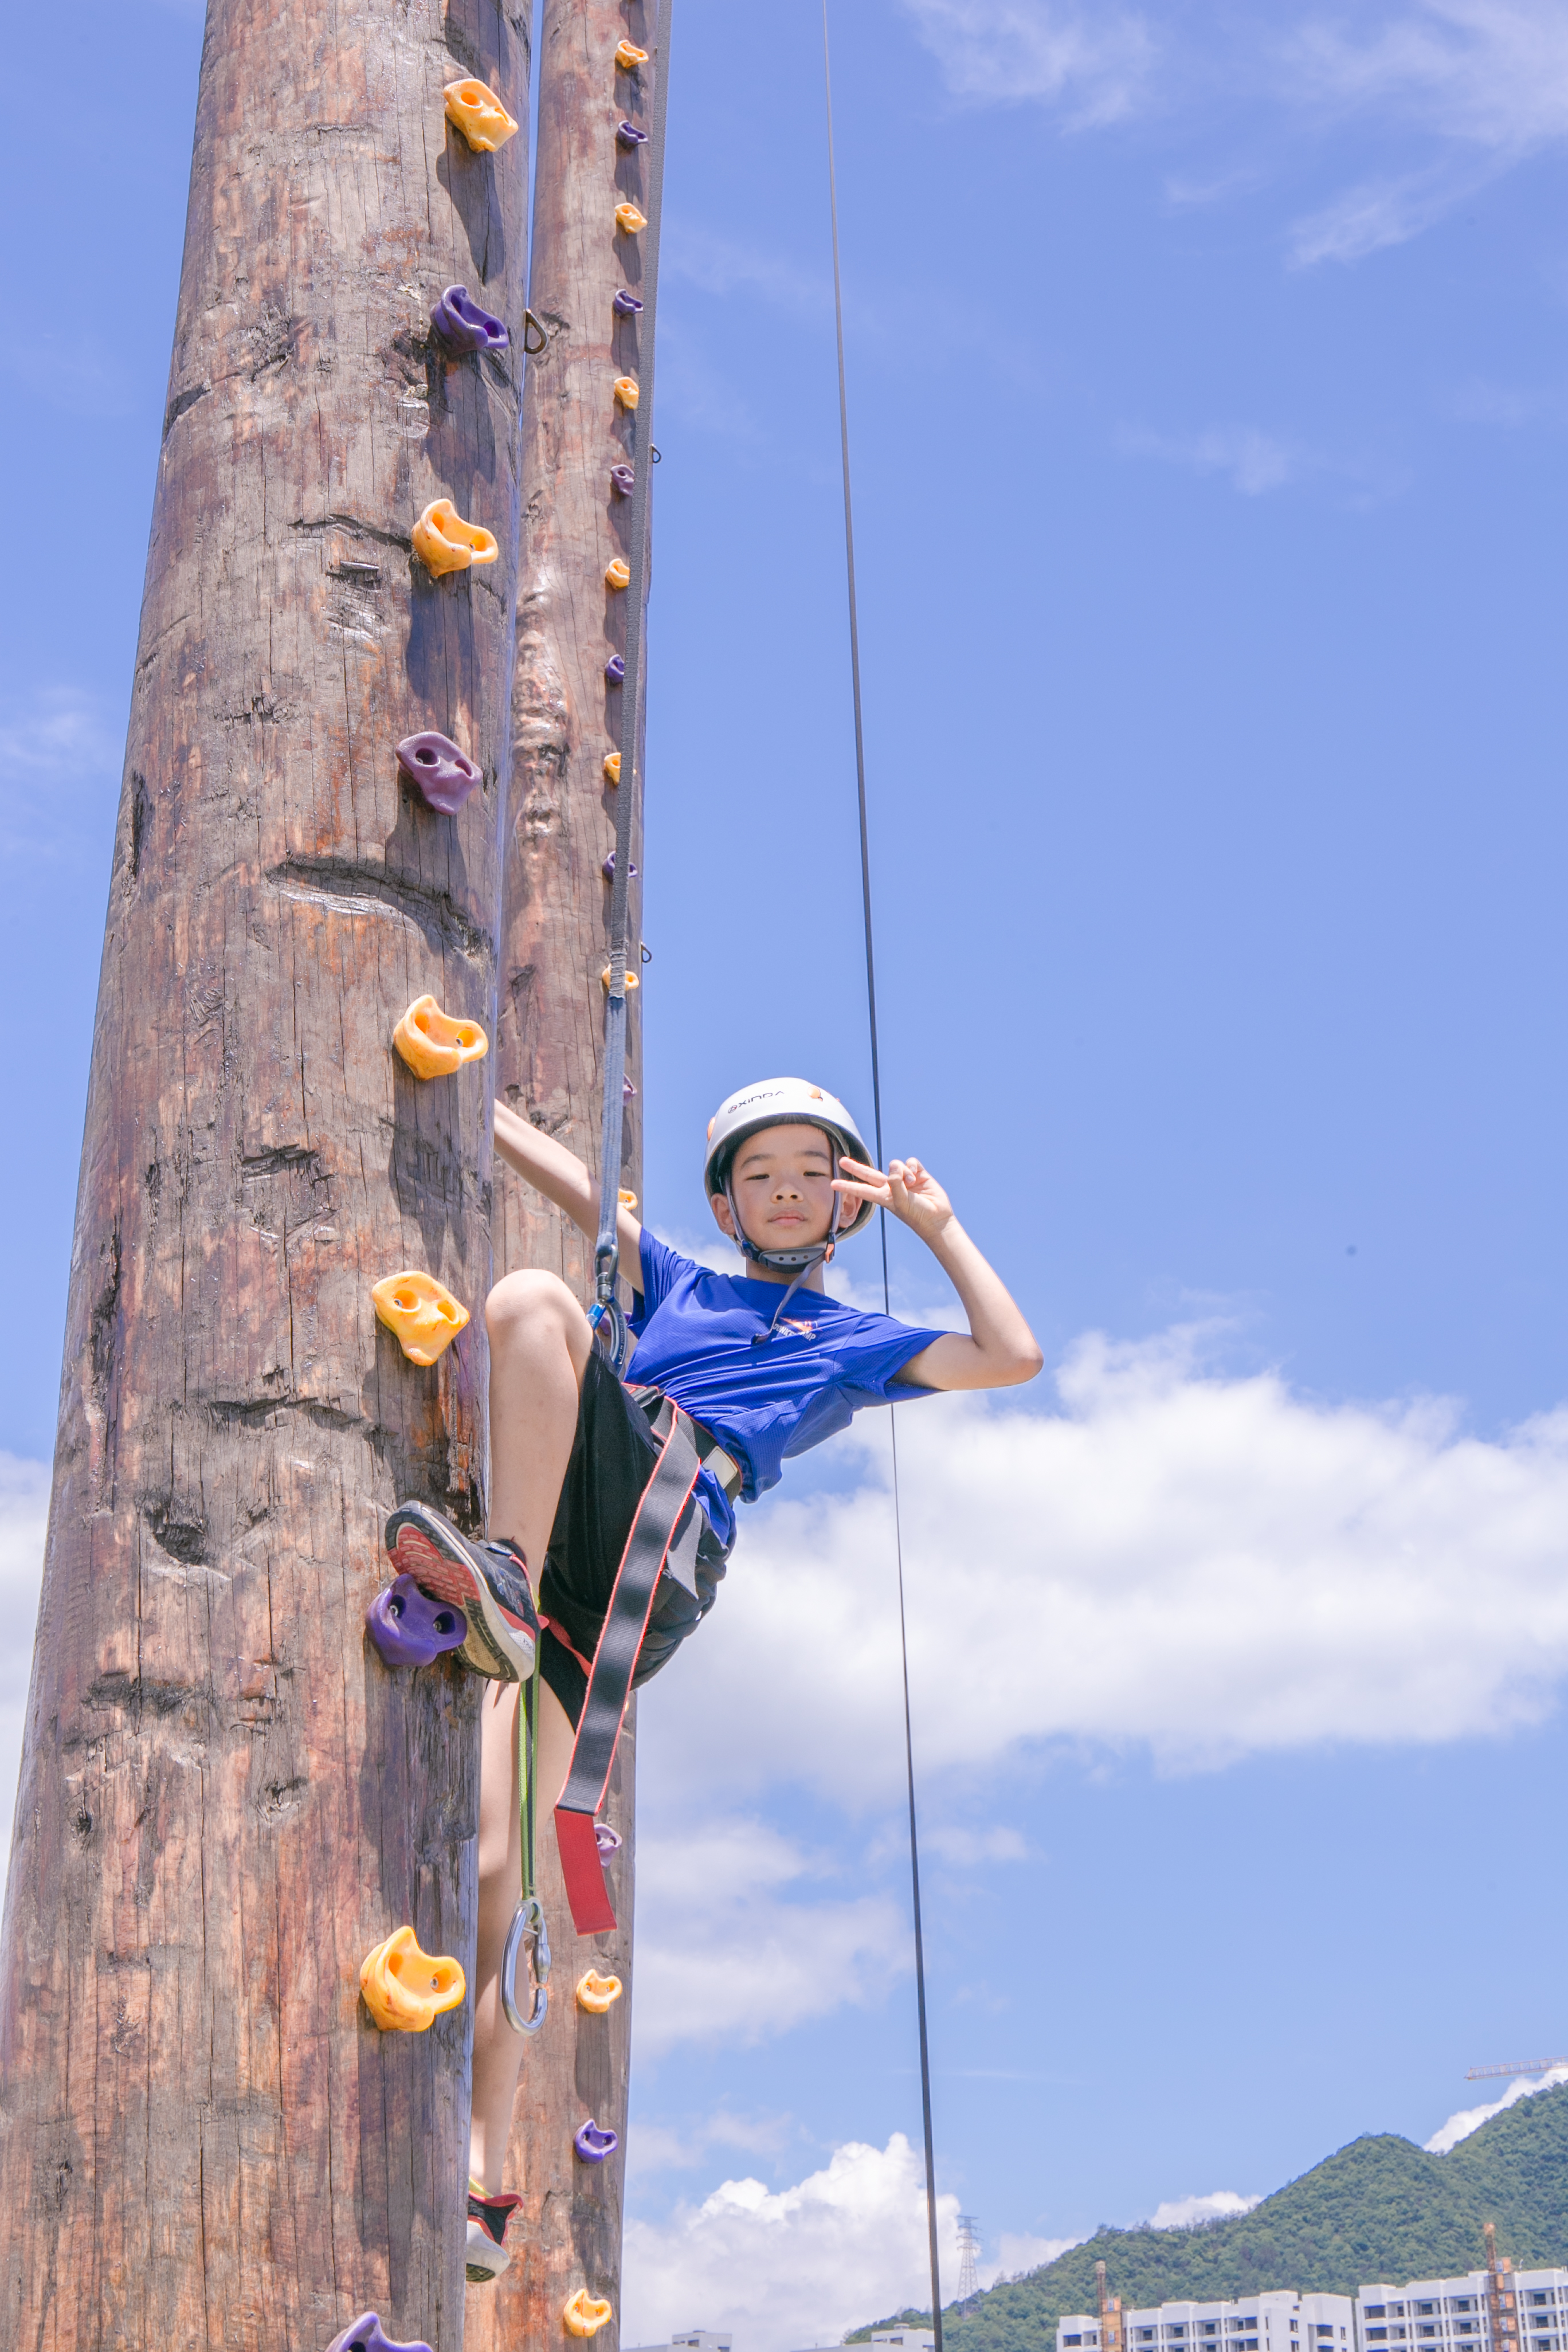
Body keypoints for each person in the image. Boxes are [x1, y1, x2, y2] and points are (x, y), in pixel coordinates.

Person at [382, 1077, 1043, 2282]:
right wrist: (458, 1068)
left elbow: (1013, 1357)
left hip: (663, 1534)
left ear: (844, 1202)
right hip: (590, 1513)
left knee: (534, 1299)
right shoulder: (680, 1280)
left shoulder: (854, 1342)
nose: (786, 1189)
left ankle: (507, 1580)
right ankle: (483, 2180)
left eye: (810, 1172)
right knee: (500, 1865)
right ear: (726, 1200)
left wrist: (931, 1223)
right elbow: (576, 1183)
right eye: (760, 1173)